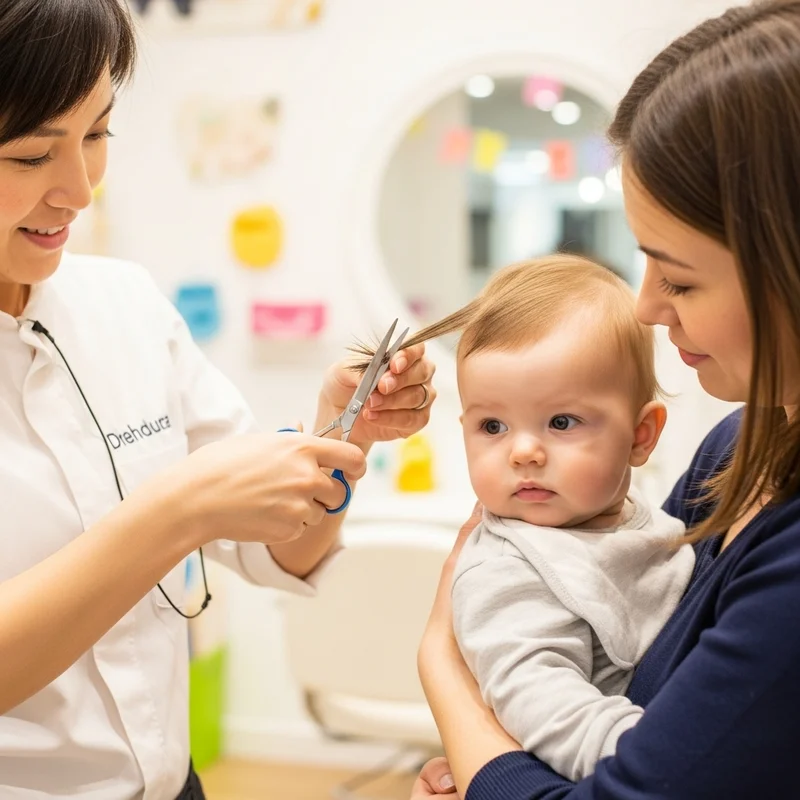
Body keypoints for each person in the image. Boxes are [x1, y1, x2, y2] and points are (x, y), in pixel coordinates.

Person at [0, 1, 436, 798]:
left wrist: (340, 437)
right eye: (31, 155)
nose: (78, 190)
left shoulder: (124, 304)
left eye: (96, 136)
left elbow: (282, 550)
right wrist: (179, 512)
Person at [412, 0, 800, 797]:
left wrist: (448, 683)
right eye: (490, 423)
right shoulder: (737, 447)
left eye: (681, 277)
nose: (649, 306)